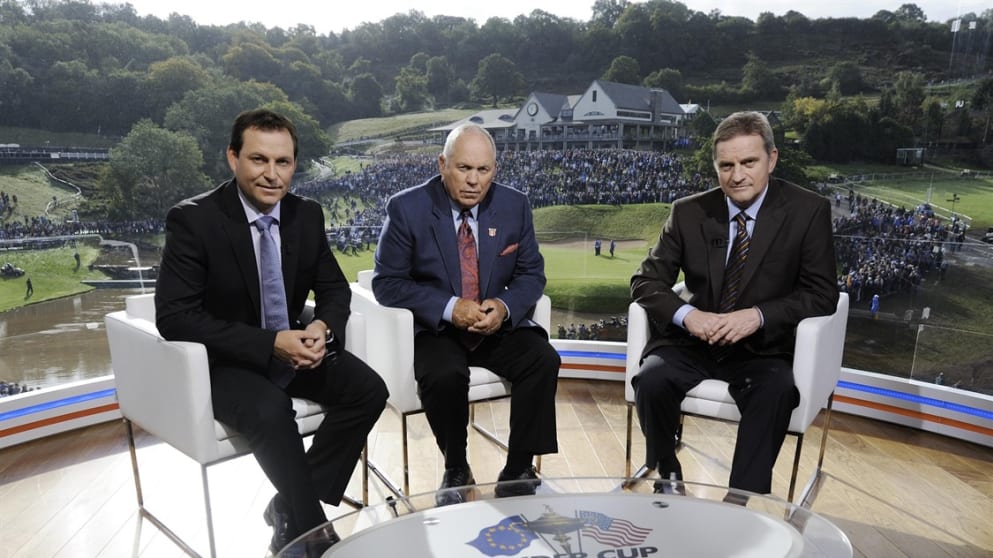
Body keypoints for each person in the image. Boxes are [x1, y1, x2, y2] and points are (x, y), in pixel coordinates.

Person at [154, 108, 388, 555]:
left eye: (282, 162)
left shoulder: (306, 215)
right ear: (233, 158)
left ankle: (285, 505)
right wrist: (270, 344)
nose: (271, 174)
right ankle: (314, 531)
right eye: (259, 159)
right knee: (269, 408)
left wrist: (321, 327)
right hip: (226, 360)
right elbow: (175, 317)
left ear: (294, 164)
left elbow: (336, 291)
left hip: (293, 345)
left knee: (368, 390)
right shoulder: (194, 220)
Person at [630, 111, 838, 497]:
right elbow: (644, 281)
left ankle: (739, 499)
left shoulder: (808, 211)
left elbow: (822, 294)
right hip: (693, 341)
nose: (737, 175)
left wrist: (757, 316)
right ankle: (667, 472)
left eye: (748, 162)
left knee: (774, 392)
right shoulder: (689, 211)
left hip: (763, 347)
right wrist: (688, 316)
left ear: (772, 159)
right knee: (652, 378)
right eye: (726, 165)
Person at [372, 123, 560, 506]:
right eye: (463, 169)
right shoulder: (406, 207)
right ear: (443, 164)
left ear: (495, 170)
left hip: (494, 326)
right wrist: (447, 308)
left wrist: (504, 307)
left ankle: (519, 468)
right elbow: (386, 283)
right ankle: (456, 466)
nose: (474, 181)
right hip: (437, 330)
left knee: (543, 359)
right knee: (443, 374)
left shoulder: (514, 205)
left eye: (484, 170)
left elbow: (531, 273)